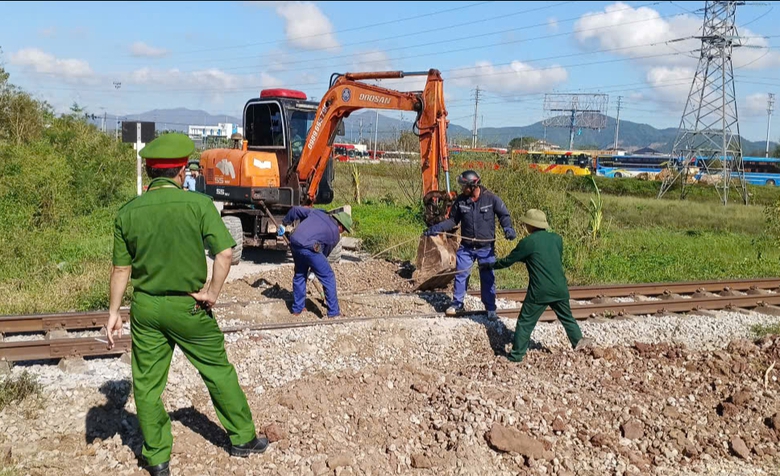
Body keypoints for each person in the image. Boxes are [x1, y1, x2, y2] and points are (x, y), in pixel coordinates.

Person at [105, 133, 268, 476]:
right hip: (189, 307)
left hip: (147, 308)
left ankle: (158, 458)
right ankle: (242, 439)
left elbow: (121, 268)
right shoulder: (198, 204)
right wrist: (212, 291)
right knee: (217, 371)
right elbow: (225, 253)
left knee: (147, 385)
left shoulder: (127, 212)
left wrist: (113, 314)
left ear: (150, 171)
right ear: (181, 171)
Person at [480, 209, 592, 362]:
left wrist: (489, 265)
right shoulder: (557, 239)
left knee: (525, 322)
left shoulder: (528, 242)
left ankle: (516, 355)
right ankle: (579, 342)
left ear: (530, 226)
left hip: (540, 290)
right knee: (567, 318)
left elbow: (508, 261)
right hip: (560, 288)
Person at [423, 170, 516, 319]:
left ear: (473, 185)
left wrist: (508, 229)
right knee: (461, 274)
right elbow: (453, 220)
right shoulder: (460, 200)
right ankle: (457, 304)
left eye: (463, 186)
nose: (461, 189)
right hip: (466, 248)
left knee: (487, 277)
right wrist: (437, 228)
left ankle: (490, 308)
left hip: (486, 249)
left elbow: (503, 215)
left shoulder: (491, 199)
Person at [277, 207, 353, 318]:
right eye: (344, 230)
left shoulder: (316, 212)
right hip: (310, 248)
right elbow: (324, 254)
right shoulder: (334, 234)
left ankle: (297, 309)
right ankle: (333, 313)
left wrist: (284, 224)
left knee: (300, 274)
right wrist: (314, 271)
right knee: (328, 277)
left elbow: (295, 210)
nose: (342, 232)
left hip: (295, 242)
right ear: (340, 226)